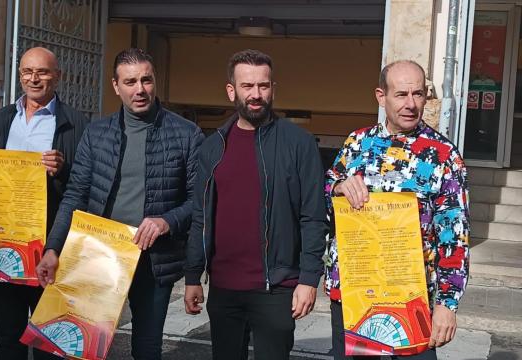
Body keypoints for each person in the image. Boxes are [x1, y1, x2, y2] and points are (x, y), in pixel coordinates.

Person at [36, 48, 204, 360]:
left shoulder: (186, 134)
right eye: (130, 82)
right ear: (116, 86)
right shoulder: (96, 133)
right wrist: (53, 248)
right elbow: (75, 196)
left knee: (146, 347)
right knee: (78, 344)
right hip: (99, 253)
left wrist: (167, 221)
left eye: (146, 80)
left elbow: (200, 201)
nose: (139, 89)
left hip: (153, 259)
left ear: (155, 82)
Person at [183, 49, 328, 360]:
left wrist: (308, 280)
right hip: (224, 288)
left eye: (263, 86)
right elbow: (201, 217)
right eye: (247, 87)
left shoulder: (299, 144)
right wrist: (193, 277)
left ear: (273, 88)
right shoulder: (213, 147)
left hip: (276, 287)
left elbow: (313, 217)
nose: (256, 95)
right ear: (231, 90)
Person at [324, 60, 470, 360]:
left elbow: (454, 236)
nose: (411, 104)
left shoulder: (444, 155)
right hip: (355, 297)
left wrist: (447, 304)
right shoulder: (356, 144)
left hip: (412, 301)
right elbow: (321, 202)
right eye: (401, 94)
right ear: (381, 96)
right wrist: (337, 189)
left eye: (418, 94)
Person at [0, 47, 90, 360]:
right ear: (20, 76)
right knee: (8, 338)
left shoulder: (76, 124)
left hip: (50, 248)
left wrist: (62, 170)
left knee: (49, 342)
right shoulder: (1, 119)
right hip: (4, 248)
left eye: (42, 72)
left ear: (57, 77)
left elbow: (85, 188)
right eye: (27, 72)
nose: (34, 78)